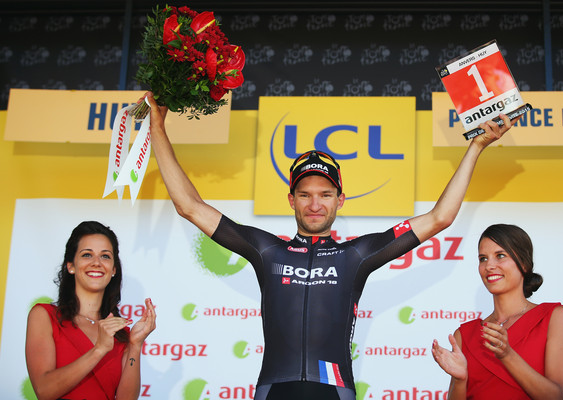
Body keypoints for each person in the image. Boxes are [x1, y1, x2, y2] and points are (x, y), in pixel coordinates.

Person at [145, 91, 517, 400]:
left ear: (340, 200)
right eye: (305, 194)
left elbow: (440, 218)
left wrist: (476, 146)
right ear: (291, 200)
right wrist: (158, 127)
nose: (315, 204)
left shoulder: (355, 256)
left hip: (334, 391)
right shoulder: (266, 250)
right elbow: (189, 206)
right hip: (273, 390)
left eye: (325, 194)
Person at [431, 224, 563, 400]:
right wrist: (460, 380)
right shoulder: (464, 335)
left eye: (500, 256)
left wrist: (507, 355)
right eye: (483, 259)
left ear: (524, 263)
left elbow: (555, 396)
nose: (489, 266)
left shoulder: (553, 317)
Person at [25, 221, 157, 400]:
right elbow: (44, 390)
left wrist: (135, 345)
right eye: (87, 255)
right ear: (71, 266)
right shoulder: (44, 316)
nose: (96, 263)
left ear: (113, 269)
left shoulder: (121, 333)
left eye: (105, 256)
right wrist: (99, 349)